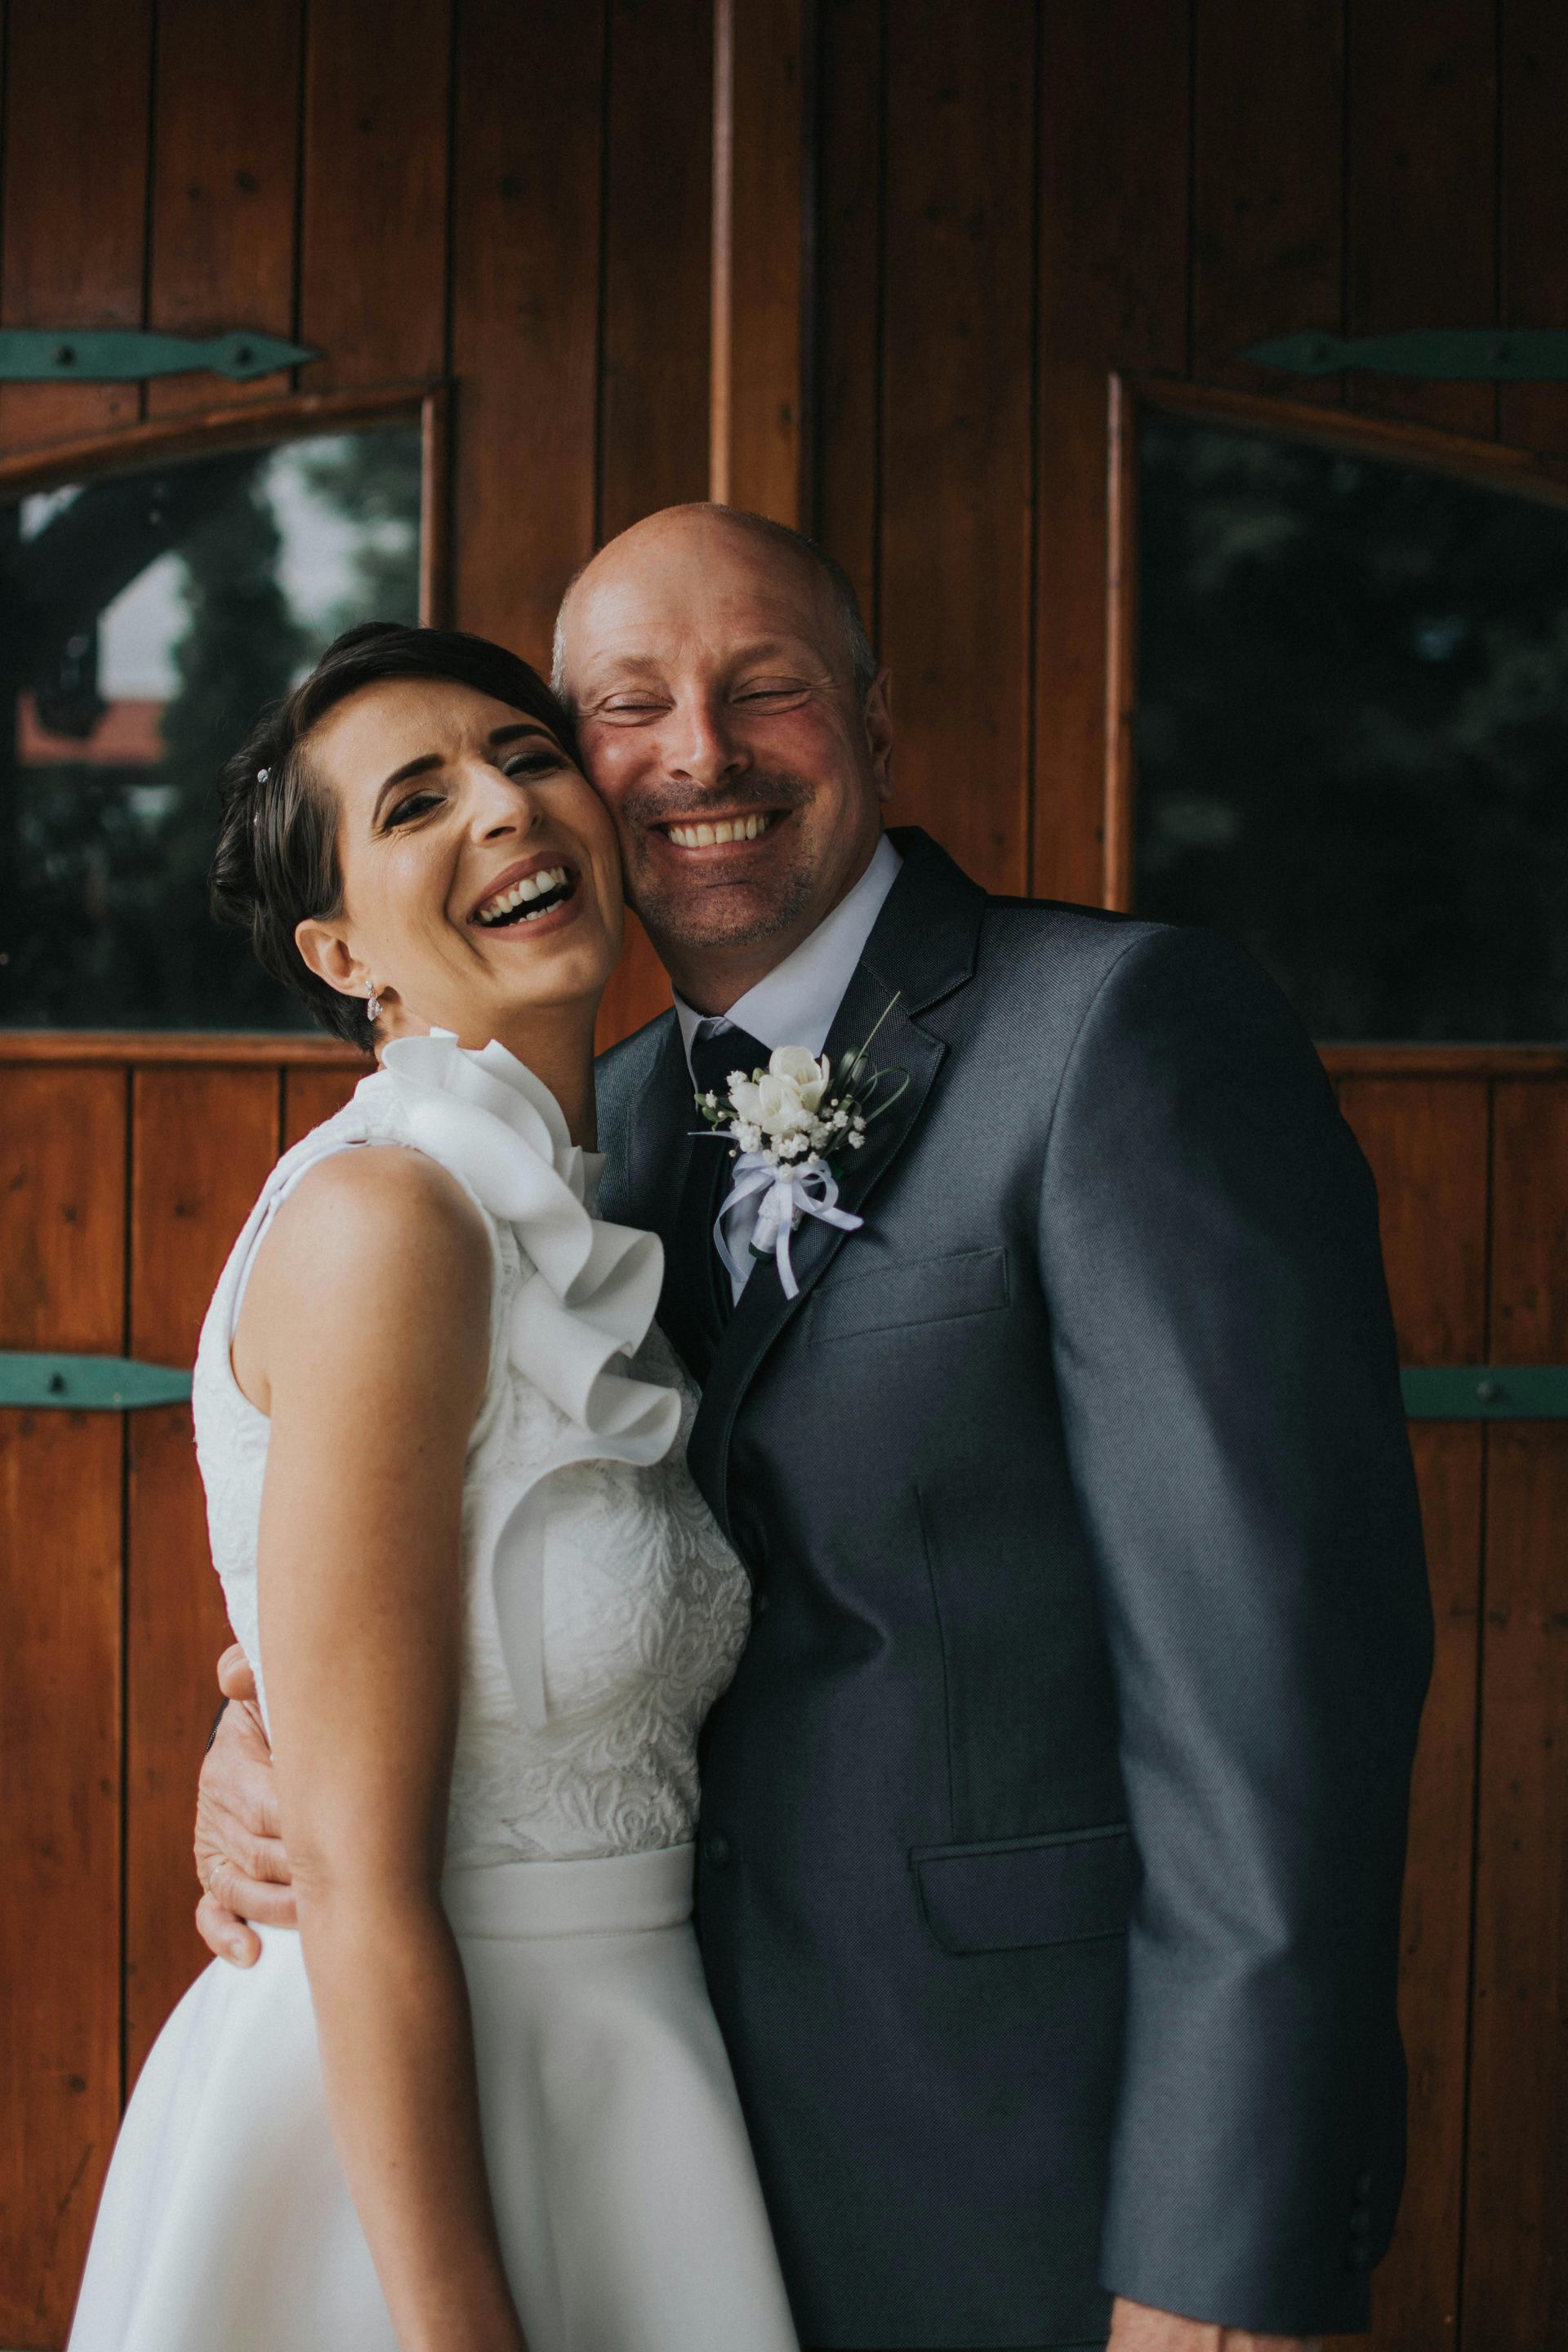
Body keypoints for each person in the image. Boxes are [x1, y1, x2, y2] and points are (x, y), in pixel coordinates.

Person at [197, 506, 1434, 2352]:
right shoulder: (579, 1136)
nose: (698, 752)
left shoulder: (1114, 1035)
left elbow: (1282, 1695)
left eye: (762, 686)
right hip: (662, 2145)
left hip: (1044, 2167)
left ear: (871, 718)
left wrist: (1226, 2244)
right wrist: (256, 1747)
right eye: (626, 707)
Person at [69, 624, 801, 2352]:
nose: (503, 806)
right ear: (339, 950)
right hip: (405, 2138)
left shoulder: (587, 1199)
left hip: (631, 2077)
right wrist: (460, 2324)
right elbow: (362, 1869)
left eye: (527, 755)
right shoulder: (389, 1224)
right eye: (416, 801)